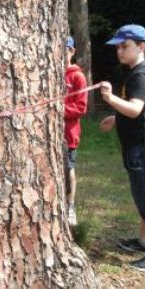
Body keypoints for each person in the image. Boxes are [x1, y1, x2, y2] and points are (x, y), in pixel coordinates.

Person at [100, 24, 145, 273]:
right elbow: (142, 111)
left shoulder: (141, 75)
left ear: (141, 47)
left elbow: (135, 109)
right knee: (144, 193)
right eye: (118, 47)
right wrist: (115, 117)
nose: (119, 51)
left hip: (144, 147)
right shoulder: (140, 72)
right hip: (144, 144)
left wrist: (110, 98)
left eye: (125, 46)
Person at [64, 36, 88, 226]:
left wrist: (57, 110)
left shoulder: (77, 77)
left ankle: (70, 207)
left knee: (68, 169)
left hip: (68, 134)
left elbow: (81, 107)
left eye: (65, 49)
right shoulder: (47, 73)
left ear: (72, 51)